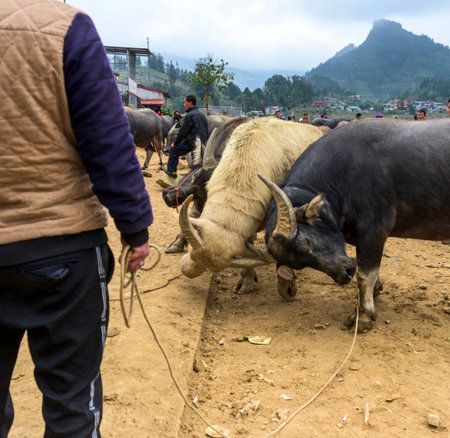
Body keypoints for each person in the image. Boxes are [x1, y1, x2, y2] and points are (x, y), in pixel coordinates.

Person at [0, 1, 153, 437]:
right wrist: (136, 229)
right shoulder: (66, 27)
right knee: (72, 406)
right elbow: (107, 141)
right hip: (61, 251)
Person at [165, 95, 208, 178]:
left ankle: (171, 171)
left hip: (192, 142)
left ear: (190, 103)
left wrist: (175, 143)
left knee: (174, 151)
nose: (184, 104)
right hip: (203, 143)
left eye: (185, 102)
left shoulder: (189, 115)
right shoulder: (203, 116)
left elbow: (182, 132)